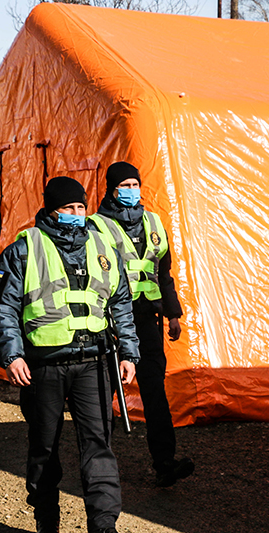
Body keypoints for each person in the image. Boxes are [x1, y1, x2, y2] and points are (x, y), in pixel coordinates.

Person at [0, 176, 140, 533]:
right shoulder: (24, 249)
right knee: (44, 447)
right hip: (43, 366)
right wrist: (12, 355)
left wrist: (128, 353)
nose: (76, 214)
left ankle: (104, 528)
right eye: (68, 208)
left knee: (99, 445)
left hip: (94, 361)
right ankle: (46, 520)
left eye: (80, 207)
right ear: (51, 209)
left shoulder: (104, 245)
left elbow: (120, 301)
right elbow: (0, 307)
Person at [88, 161, 194, 487]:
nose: (131, 191)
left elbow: (164, 273)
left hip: (148, 318)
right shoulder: (96, 225)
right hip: (110, 321)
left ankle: (165, 463)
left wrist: (173, 314)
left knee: (154, 391)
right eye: (125, 186)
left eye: (135, 184)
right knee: (103, 392)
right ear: (112, 189)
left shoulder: (153, 222)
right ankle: (97, 468)